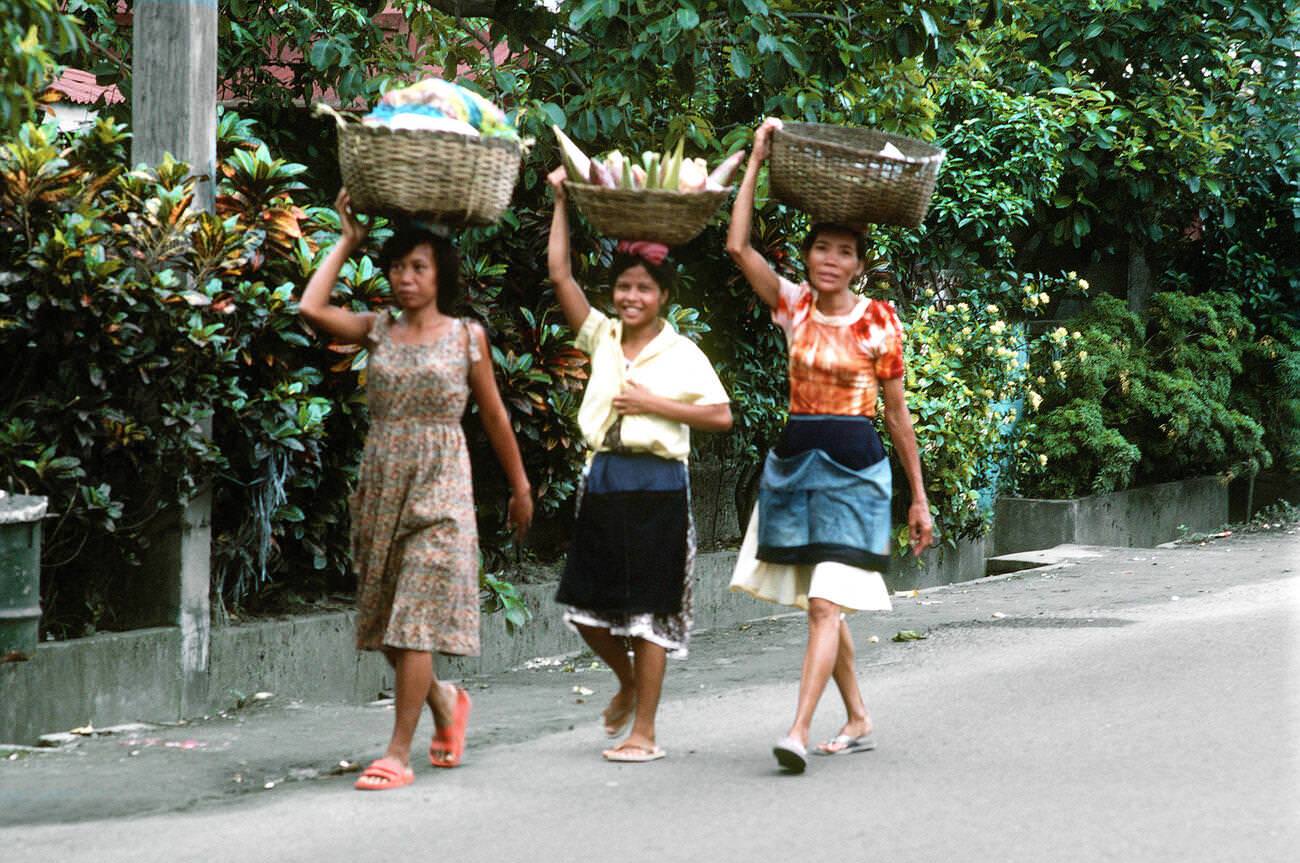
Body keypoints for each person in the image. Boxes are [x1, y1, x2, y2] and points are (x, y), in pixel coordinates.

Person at [299, 189, 533, 790]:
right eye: (398, 267)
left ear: (440, 275)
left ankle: (398, 753)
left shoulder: (466, 338)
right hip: (383, 480)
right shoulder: (376, 330)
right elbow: (310, 308)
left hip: (442, 486)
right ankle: (447, 704)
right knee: (387, 625)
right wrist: (347, 240)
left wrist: (520, 486)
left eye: (419, 267)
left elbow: (495, 417)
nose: (406, 278)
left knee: (415, 623)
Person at [725, 118, 934, 774]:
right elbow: (737, 247)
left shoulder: (880, 320)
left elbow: (898, 416)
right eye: (822, 248)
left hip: (857, 469)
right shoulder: (793, 306)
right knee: (825, 600)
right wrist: (758, 157)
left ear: (859, 263)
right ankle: (860, 715)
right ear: (808, 255)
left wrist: (919, 498)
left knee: (823, 601)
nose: (831, 259)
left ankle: (796, 728)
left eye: (845, 251)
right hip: (797, 466)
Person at [545, 166, 733, 763]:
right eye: (623, 287)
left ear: (664, 297)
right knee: (584, 607)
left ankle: (645, 732)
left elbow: (721, 417)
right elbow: (559, 273)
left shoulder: (682, 352)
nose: (631, 297)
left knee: (651, 612)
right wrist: (560, 201)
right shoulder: (599, 336)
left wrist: (653, 402)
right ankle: (626, 683)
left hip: (658, 485)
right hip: (602, 479)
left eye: (644, 290)